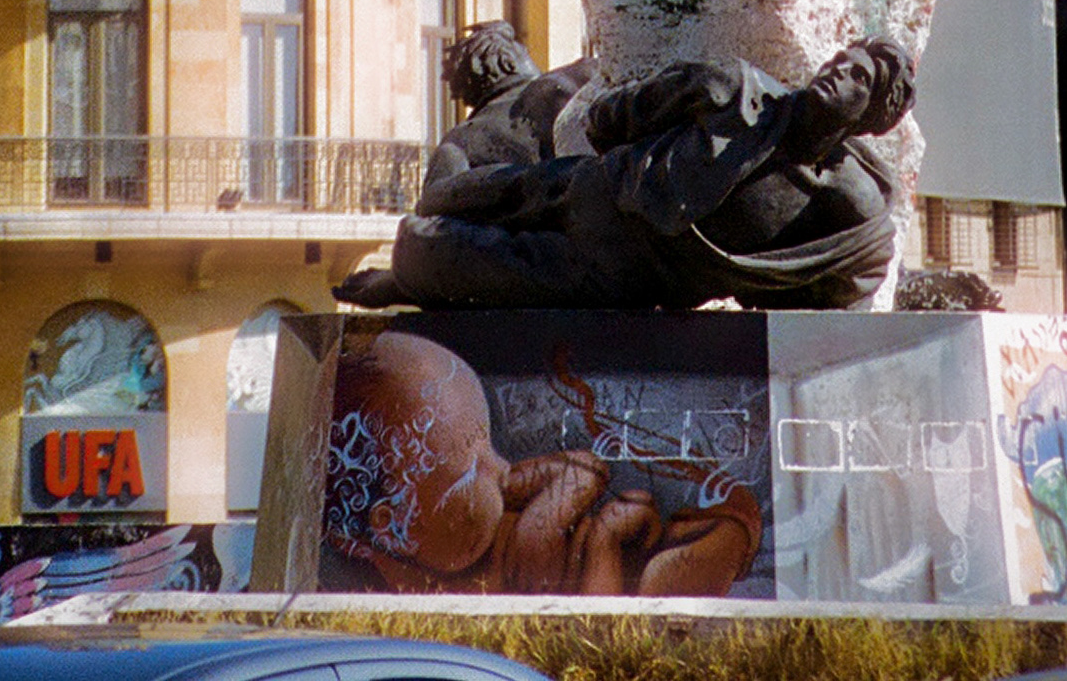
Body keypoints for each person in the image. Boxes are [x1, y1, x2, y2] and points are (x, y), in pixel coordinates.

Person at [335, 41, 914, 315]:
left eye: (858, 78)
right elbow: (615, 115)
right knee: (445, 198)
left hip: (614, 277)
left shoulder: (853, 215)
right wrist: (624, 169)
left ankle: (406, 279)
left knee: (430, 252)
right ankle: (408, 273)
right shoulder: (732, 90)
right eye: (840, 59)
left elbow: (821, 302)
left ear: (873, 115)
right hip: (585, 186)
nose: (839, 71)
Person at [322, 329, 763, 596]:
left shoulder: (500, 490)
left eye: (488, 445)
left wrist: (544, 523)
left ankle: (718, 536)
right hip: (602, 573)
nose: (498, 468)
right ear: (392, 521)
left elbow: (585, 470)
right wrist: (603, 544)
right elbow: (597, 626)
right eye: (473, 466)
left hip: (626, 540)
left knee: (712, 539)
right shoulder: (402, 591)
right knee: (656, 582)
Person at [416, 22, 593, 207]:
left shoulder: (459, 139)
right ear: (506, 62)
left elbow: (430, 204)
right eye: (523, 50)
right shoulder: (572, 75)